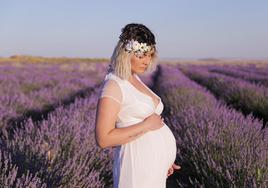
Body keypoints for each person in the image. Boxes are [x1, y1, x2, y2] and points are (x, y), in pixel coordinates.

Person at [95, 23, 181, 188]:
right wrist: (146, 125)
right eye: (141, 56)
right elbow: (103, 139)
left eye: (150, 55)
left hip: (152, 169)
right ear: (125, 54)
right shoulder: (114, 85)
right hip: (135, 169)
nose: (147, 61)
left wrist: (164, 159)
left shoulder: (134, 78)